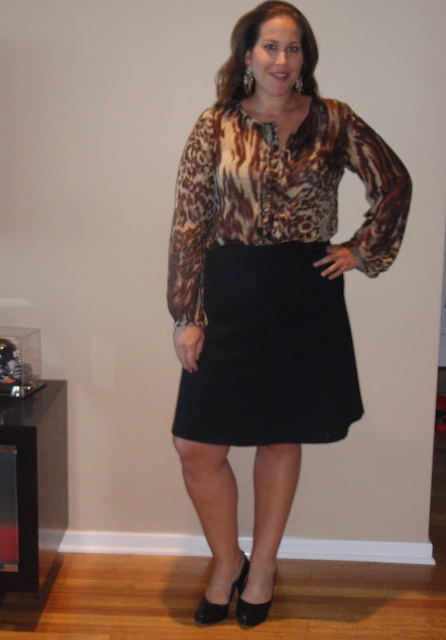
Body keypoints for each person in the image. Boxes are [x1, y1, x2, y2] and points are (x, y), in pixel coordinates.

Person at [167, 0, 411, 628]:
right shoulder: (215, 124)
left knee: (280, 434)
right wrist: (187, 314)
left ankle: (264, 569)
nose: (282, 59)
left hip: (303, 295)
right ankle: (227, 562)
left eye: (293, 47)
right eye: (270, 46)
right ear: (247, 54)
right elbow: (190, 223)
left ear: (305, 58)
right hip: (229, 292)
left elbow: (394, 183)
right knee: (196, 446)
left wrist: (361, 250)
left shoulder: (334, 120)